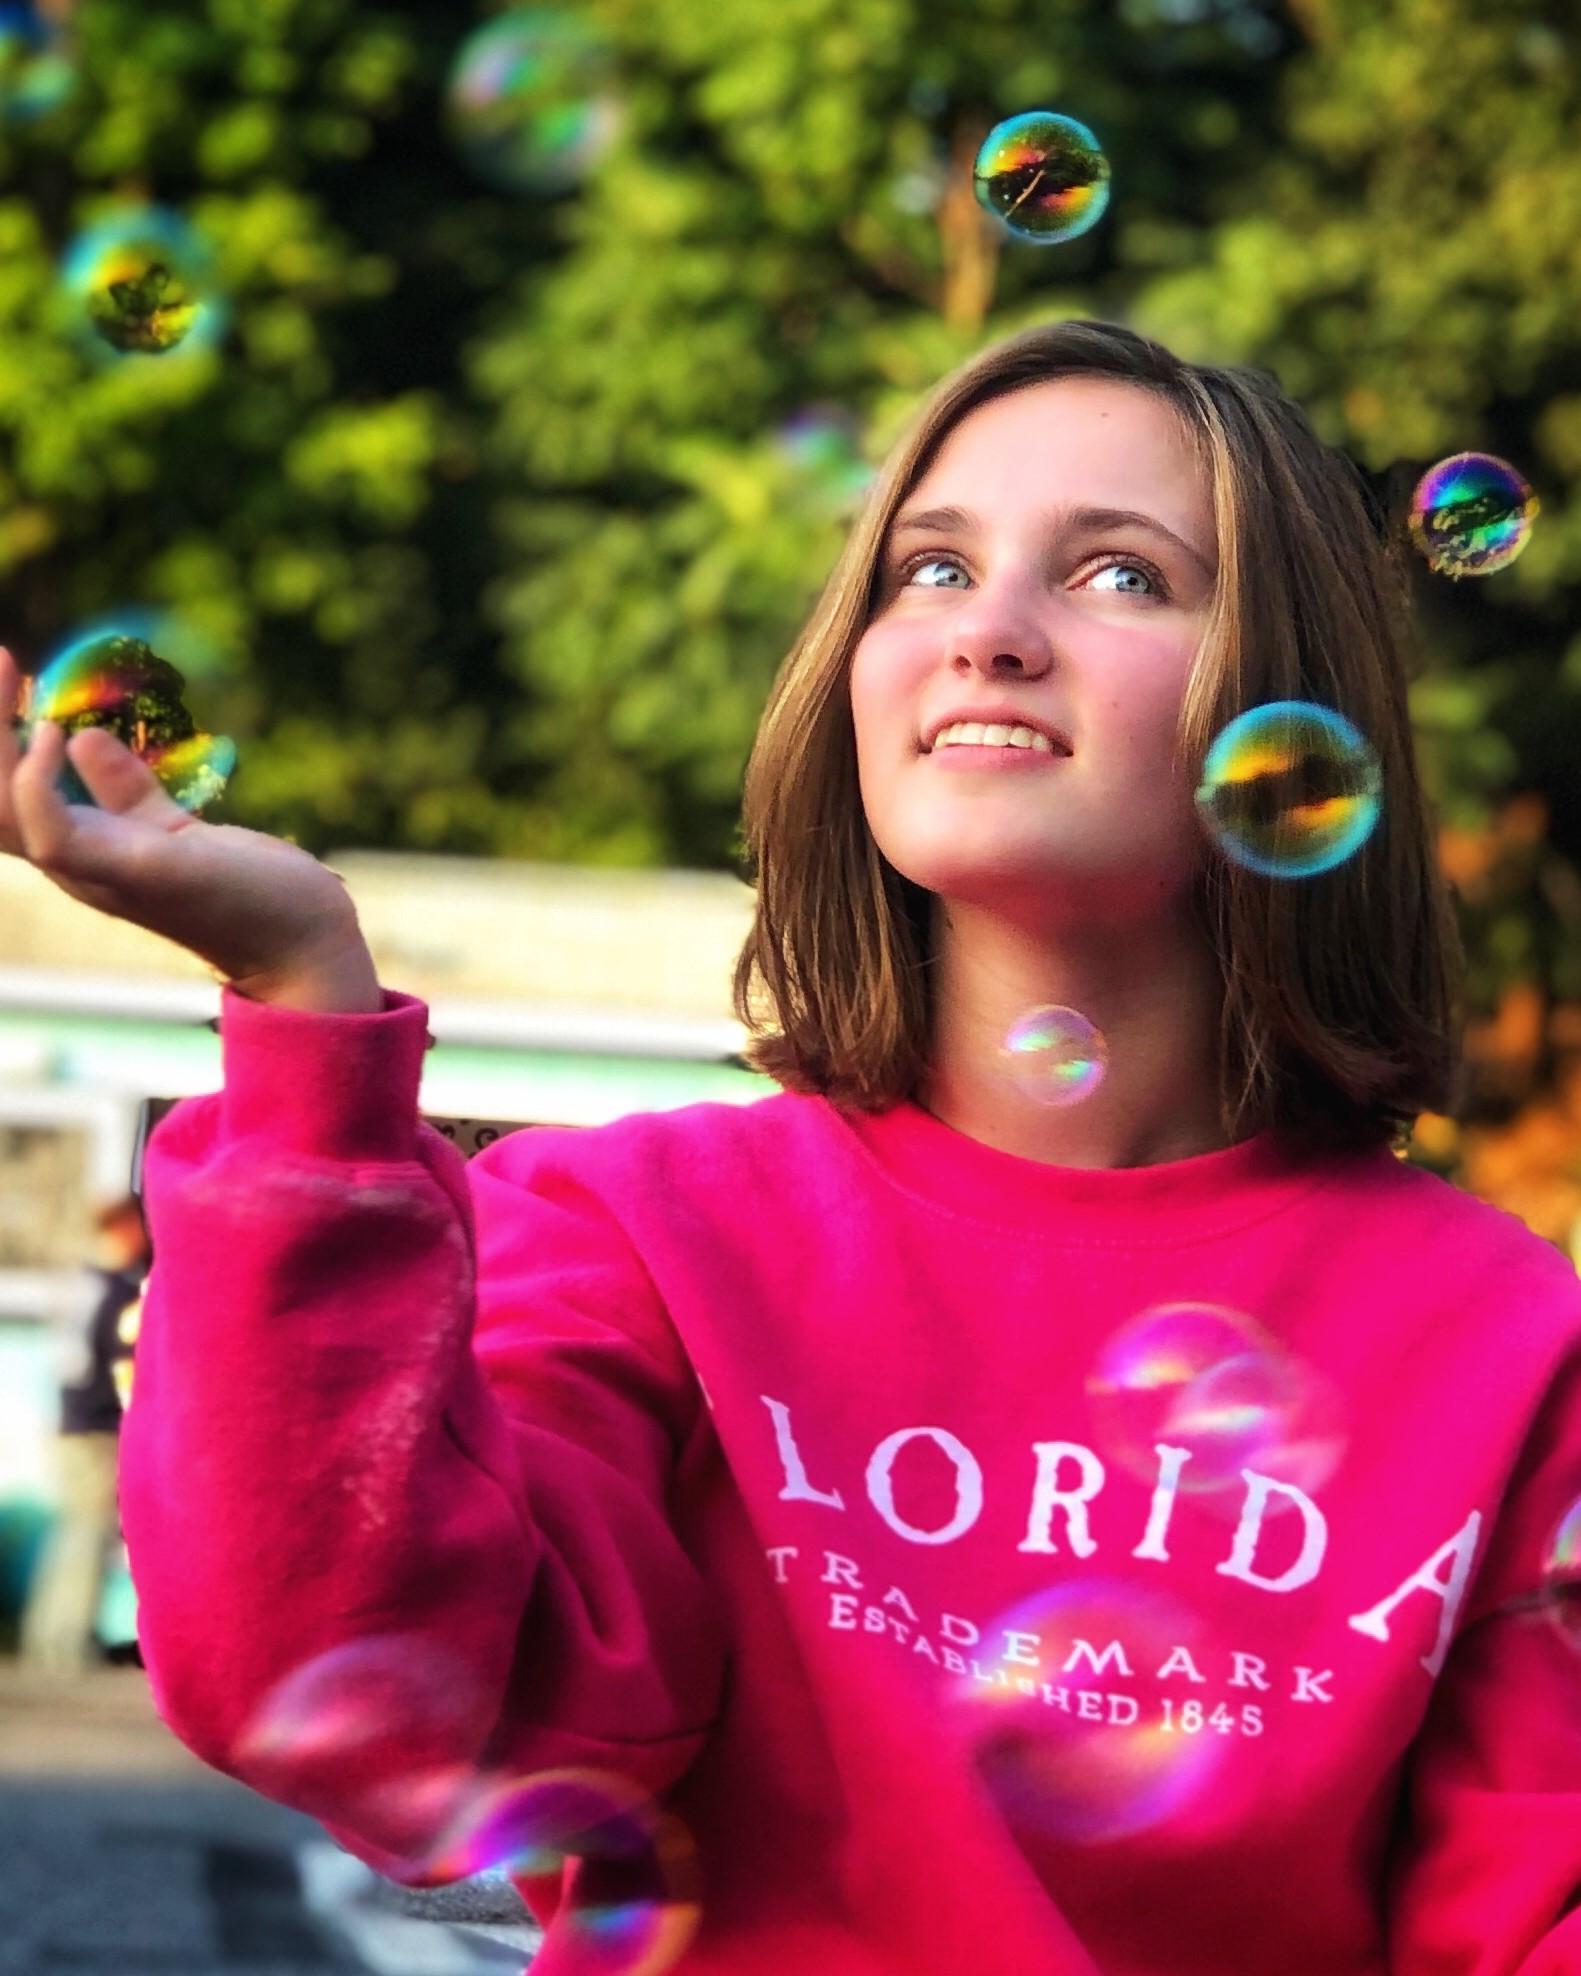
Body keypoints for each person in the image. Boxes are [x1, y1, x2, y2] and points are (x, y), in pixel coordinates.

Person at [2, 318, 1578, 1973]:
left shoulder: (1506, 1342)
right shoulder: (636, 1234)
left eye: (1119, 575)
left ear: (1290, 718)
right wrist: (301, 1006)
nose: (992, 634)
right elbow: (347, 1701)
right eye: (929, 568)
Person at [20, 1191, 148, 1675]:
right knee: (86, 1536)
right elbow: (104, 1365)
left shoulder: (83, 1286)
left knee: (75, 1533)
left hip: (76, 1426)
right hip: (94, 1429)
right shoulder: (113, 1290)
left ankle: (55, 1637)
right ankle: (65, 1642)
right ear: (122, 1230)